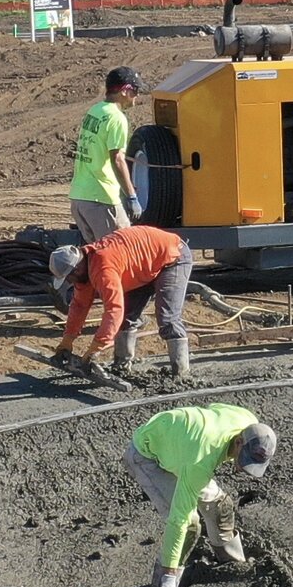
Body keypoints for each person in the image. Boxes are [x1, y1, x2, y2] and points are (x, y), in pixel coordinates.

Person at [126, 404, 279, 587]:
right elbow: (179, 521)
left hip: (183, 449)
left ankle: (231, 567)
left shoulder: (247, 421)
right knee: (190, 527)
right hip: (148, 456)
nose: (243, 467)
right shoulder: (200, 460)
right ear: (238, 442)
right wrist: (168, 576)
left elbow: (214, 408)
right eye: (244, 459)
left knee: (221, 507)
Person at [51, 223, 195, 382]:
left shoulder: (103, 268)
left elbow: (114, 310)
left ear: (76, 270)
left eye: (68, 278)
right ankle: (121, 367)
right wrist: (68, 339)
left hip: (172, 257)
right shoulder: (84, 270)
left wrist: (96, 348)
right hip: (144, 264)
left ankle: (182, 374)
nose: (69, 282)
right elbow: (79, 306)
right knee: (126, 317)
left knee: (167, 318)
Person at [68, 67, 144, 241]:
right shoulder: (116, 118)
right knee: (123, 251)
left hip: (80, 198)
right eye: (135, 90)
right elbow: (117, 159)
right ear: (124, 90)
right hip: (102, 199)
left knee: (98, 258)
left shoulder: (95, 110)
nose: (137, 96)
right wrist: (131, 196)